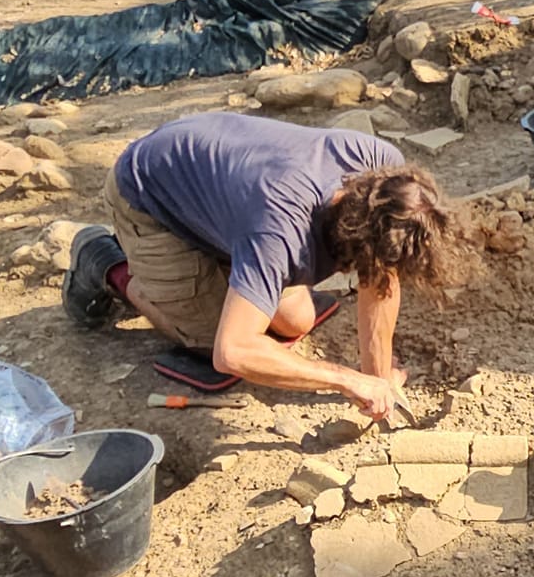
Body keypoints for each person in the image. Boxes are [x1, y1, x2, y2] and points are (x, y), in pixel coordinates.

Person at [61, 112, 473, 420]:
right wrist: (346, 379)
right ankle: (107, 262)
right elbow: (233, 352)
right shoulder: (278, 231)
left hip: (222, 197)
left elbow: (380, 276)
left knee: (295, 321)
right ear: (356, 234)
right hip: (149, 197)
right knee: (213, 341)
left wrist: (378, 376)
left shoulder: (384, 173)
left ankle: (221, 268)